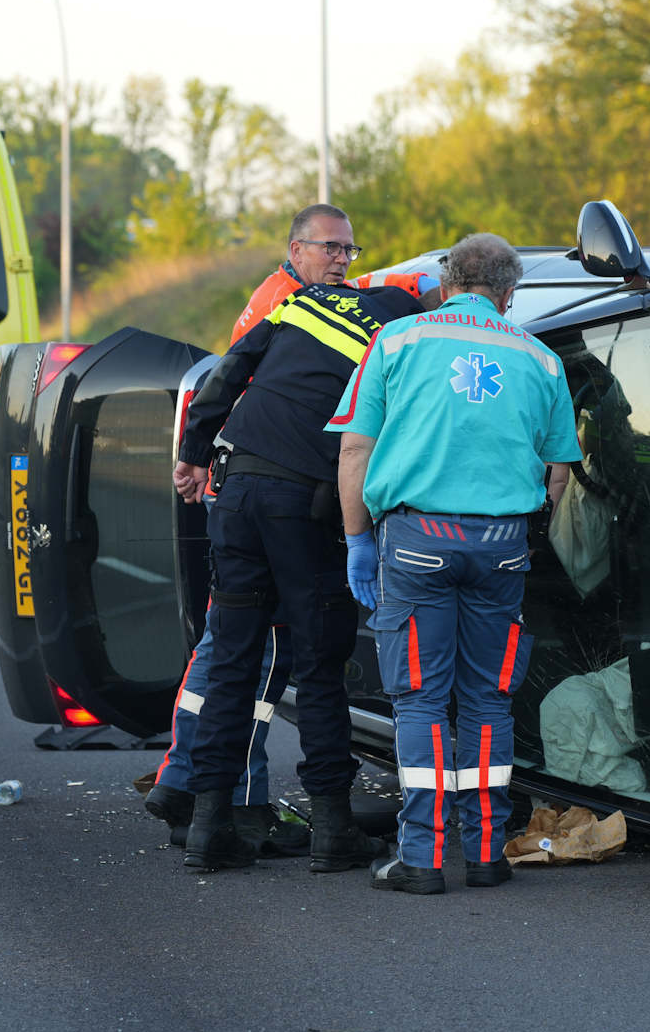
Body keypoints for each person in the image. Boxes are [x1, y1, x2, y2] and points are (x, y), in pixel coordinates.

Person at [145, 211, 436, 855]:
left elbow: (224, 377)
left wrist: (193, 451)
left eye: (348, 249)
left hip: (238, 493)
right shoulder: (401, 332)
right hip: (302, 506)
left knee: (233, 663)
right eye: (333, 247)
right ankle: (333, 830)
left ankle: (207, 829)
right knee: (320, 665)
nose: (342, 258)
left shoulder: (297, 308)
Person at [328, 233, 580, 894]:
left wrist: (357, 538)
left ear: (446, 282)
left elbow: (355, 452)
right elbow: (558, 474)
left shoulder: (398, 342)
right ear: (508, 292)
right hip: (501, 546)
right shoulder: (541, 359)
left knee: (420, 702)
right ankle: (487, 852)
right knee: (488, 701)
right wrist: (527, 535)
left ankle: (424, 858)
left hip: (415, 540)